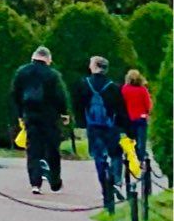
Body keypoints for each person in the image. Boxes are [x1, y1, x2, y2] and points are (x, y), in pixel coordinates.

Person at [10, 45, 68, 195]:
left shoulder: (22, 72)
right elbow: (59, 95)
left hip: (30, 114)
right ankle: (55, 182)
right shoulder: (52, 74)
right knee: (52, 149)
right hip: (50, 116)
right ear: (48, 59)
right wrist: (64, 112)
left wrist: (19, 113)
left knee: (33, 148)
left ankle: (35, 183)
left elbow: (15, 93)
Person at [73, 53, 125, 211]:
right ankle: (116, 180)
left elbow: (78, 105)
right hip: (110, 126)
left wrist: (81, 122)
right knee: (116, 153)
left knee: (98, 156)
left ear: (94, 67)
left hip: (93, 126)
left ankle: (105, 184)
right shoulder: (113, 86)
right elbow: (120, 108)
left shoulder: (84, 84)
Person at [118, 67, 155, 179]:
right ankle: (141, 159)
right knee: (141, 140)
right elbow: (148, 104)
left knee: (131, 140)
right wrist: (147, 113)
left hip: (129, 119)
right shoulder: (142, 89)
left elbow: (121, 104)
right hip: (141, 118)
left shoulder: (124, 89)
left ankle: (131, 157)